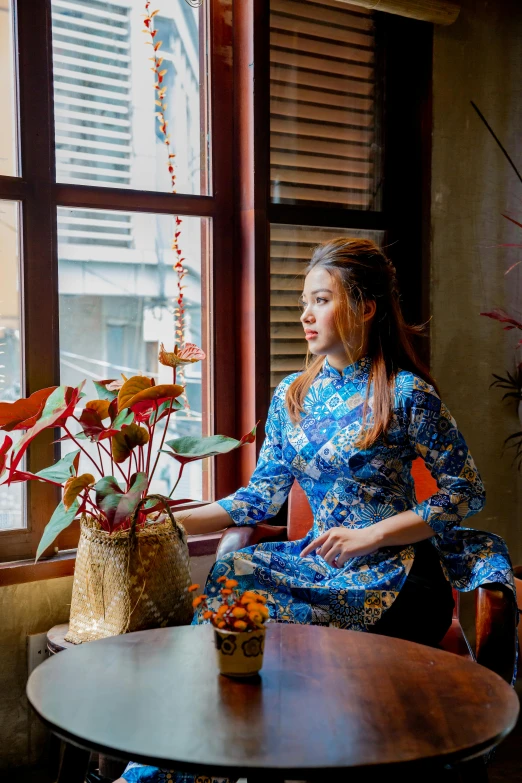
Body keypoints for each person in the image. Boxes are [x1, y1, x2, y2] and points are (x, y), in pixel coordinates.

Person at [117, 238, 514, 783]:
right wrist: (164, 520)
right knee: (235, 572)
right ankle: (193, 755)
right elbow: (259, 498)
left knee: (258, 623)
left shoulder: (405, 394)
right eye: (304, 301)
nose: (306, 314)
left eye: (321, 300)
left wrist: (372, 535)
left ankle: (182, 767)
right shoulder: (291, 396)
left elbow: (466, 490)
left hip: (396, 578)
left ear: (366, 307)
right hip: (321, 566)